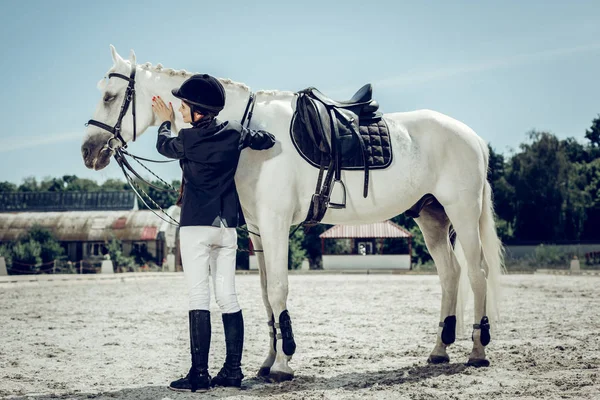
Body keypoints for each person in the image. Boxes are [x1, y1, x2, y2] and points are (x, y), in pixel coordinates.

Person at [152, 74, 275, 392]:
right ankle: (233, 371)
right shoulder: (234, 132)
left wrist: (164, 121)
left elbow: (164, 145)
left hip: (196, 226)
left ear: (196, 110)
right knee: (228, 297)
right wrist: (251, 135)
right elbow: (266, 140)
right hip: (227, 227)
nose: (180, 110)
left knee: (198, 296)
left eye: (182, 107)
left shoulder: (189, 139)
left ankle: (199, 375)